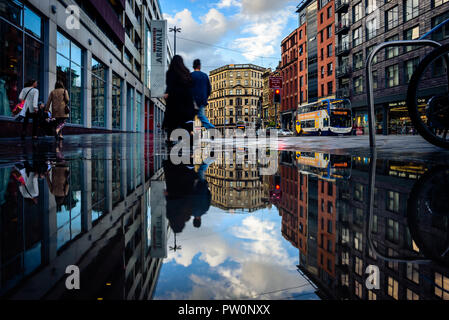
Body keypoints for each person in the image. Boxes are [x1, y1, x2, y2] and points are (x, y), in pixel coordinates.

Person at [163, 55, 195, 141]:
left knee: (171, 119)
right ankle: (189, 134)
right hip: (186, 99)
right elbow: (191, 85)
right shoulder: (187, 72)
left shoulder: (171, 72)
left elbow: (170, 85)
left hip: (175, 98)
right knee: (185, 119)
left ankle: (170, 137)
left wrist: (167, 93)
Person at [191, 59, 214, 129]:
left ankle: (186, 131)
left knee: (188, 116)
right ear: (200, 66)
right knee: (201, 115)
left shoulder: (191, 75)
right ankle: (210, 127)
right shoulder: (205, 76)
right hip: (202, 100)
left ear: (193, 66)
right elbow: (209, 89)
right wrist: (205, 97)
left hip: (193, 100)